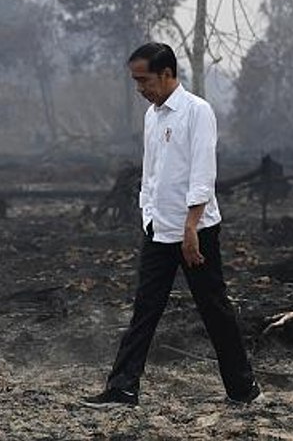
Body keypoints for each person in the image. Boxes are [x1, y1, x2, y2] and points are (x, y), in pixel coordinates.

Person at [83, 42, 260, 408]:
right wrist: (146, 211)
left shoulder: (198, 112)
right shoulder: (152, 115)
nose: (139, 89)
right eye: (135, 81)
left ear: (166, 74)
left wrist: (191, 228)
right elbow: (151, 172)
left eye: (144, 79)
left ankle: (243, 389)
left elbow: (202, 175)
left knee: (214, 309)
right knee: (145, 310)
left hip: (196, 232)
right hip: (158, 230)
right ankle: (122, 388)